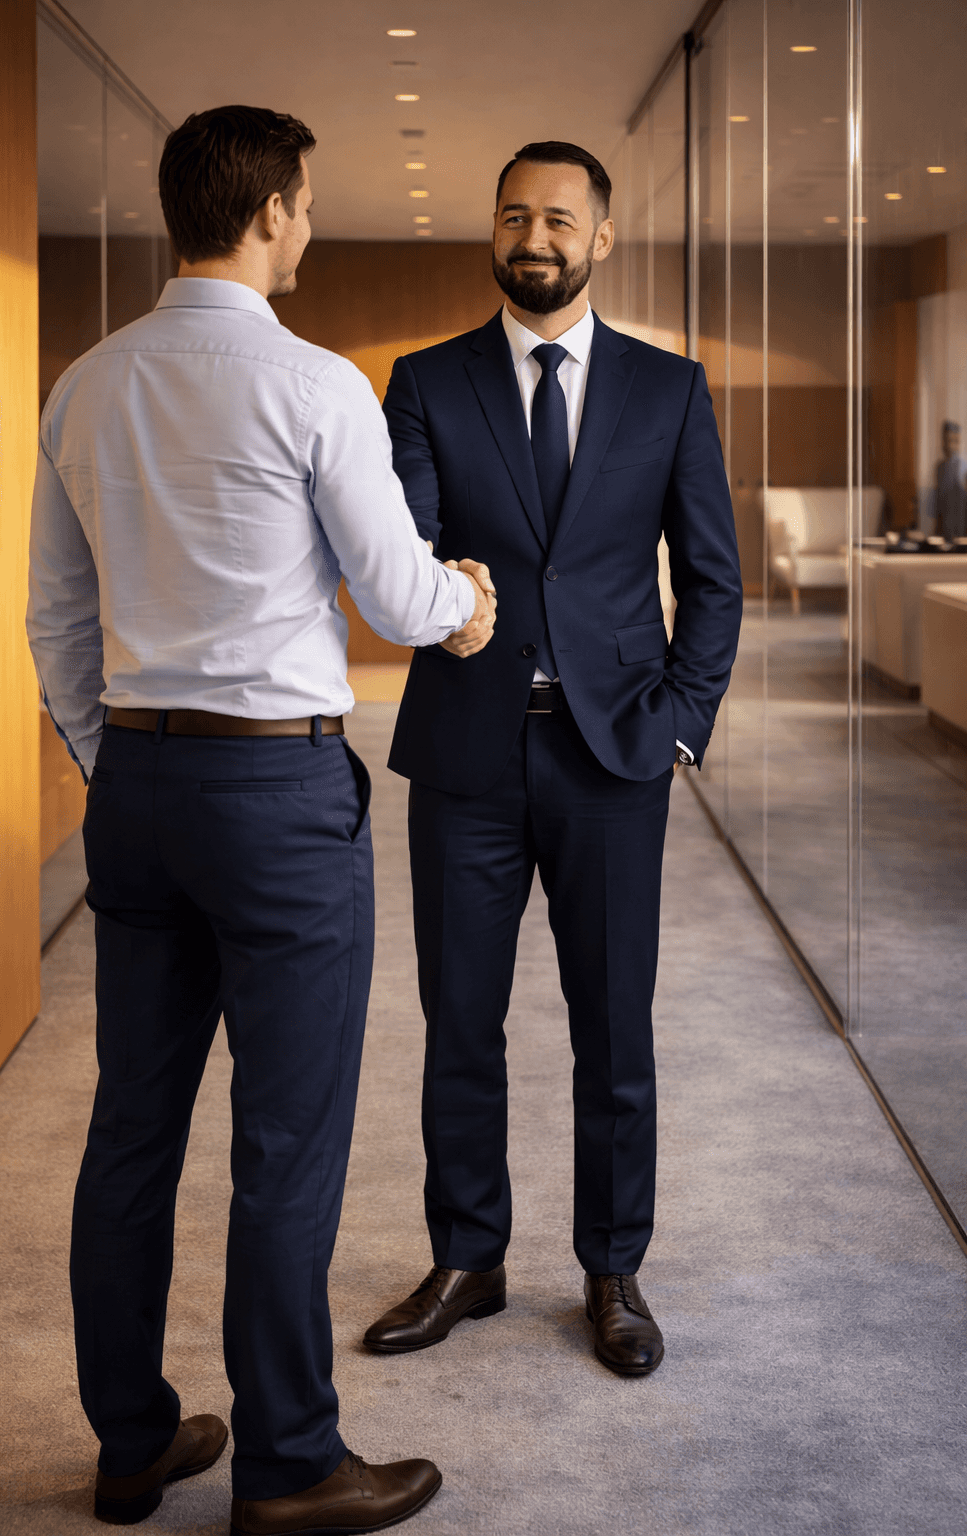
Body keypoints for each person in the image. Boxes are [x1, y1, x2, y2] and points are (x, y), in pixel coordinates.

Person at [27, 105, 496, 1535]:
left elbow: (57, 620)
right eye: (304, 204)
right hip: (277, 797)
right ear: (274, 210)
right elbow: (396, 594)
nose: (306, 224)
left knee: (131, 1129)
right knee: (285, 1140)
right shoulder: (314, 383)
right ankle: (289, 1465)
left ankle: (132, 1445)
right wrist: (468, 601)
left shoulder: (85, 384)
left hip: (139, 787)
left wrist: (116, 764)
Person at [363, 141, 743, 1378]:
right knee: (457, 1022)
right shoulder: (424, 382)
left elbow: (713, 578)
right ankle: (467, 1258)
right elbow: (403, 549)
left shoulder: (668, 388)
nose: (535, 237)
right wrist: (439, 587)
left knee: (613, 1027)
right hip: (464, 752)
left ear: (601, 239)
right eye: (515, 215)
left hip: (614, 756)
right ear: (492, 228)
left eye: (560, 220)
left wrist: (680, 721)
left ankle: (612, 1269)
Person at [935, 420, 967, 541]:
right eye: (948, 441)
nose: (951, 446)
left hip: (961, 531)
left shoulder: (964, 467)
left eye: (955, 441)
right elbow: (939, 502)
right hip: (944, 531)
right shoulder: (940, 467)